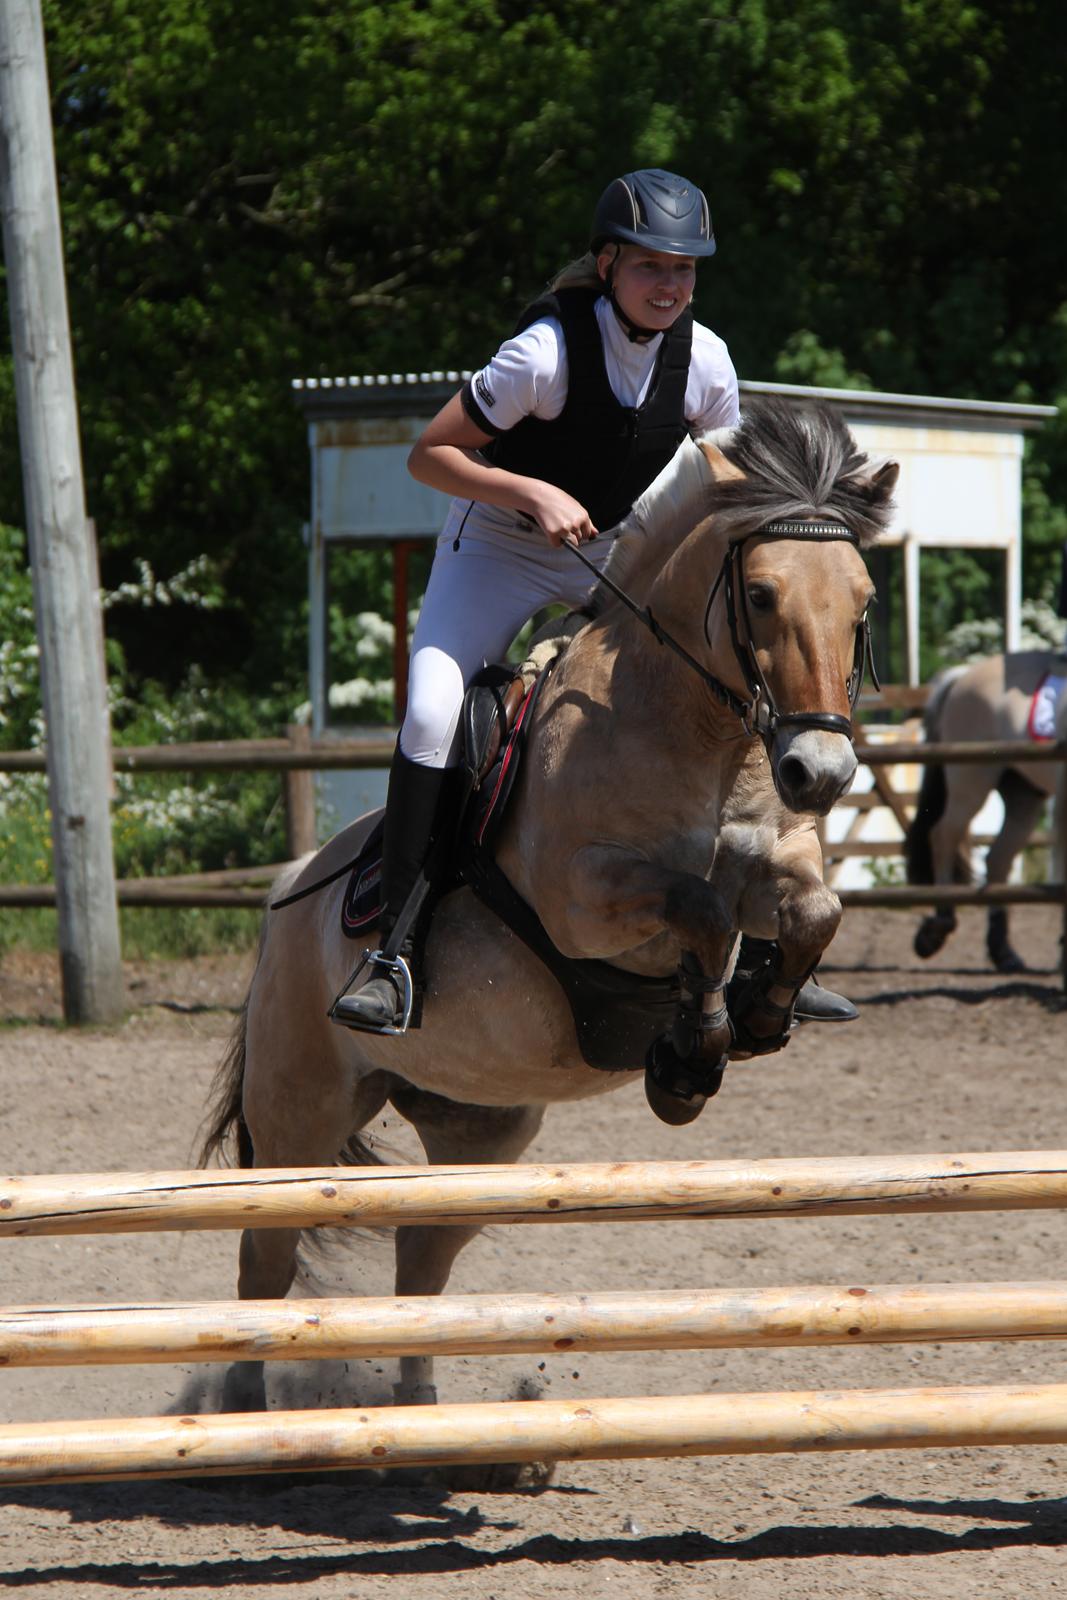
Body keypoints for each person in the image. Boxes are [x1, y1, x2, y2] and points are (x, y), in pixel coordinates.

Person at [332, 167, 853, 1034]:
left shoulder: (708, 361)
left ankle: (771, 937)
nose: (670, 286)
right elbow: (428, 457)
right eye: (651, 266)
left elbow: (724, 488)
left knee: (735, 683)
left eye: (684, 271)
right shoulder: (543, 354)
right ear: (607, 263)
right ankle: (395, 949)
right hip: (498, 550)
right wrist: (527, 492)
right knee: (431, 713)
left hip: (618, 555)